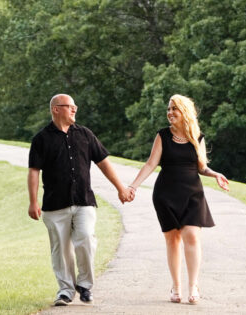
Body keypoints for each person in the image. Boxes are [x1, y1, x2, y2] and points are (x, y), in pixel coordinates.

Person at [28, 94, 134, 307]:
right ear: (56, 109)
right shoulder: (41, 139)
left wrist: (121, 188)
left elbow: (103, 163)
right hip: (54, 204)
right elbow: (34, 172)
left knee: (85, 237)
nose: (75, 110)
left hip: (84, 200)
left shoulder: (85, 134)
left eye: (75, 106)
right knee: (61, 249)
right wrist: (33, 201)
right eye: (70, 107)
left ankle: (84, 285)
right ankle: (65, 291)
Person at [127, 94, 229, 305]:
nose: (170, 112)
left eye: (174, 108)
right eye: (169, 108)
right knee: (172, 239)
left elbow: (201, 167)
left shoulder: (197, 136)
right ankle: (176, 286)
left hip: (192, 193)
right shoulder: (163, 135)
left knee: (191, 235)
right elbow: (150, 164)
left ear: (185, 112)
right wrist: (133, 186)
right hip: (166, 193)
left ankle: (193, 286)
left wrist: (216, 174)